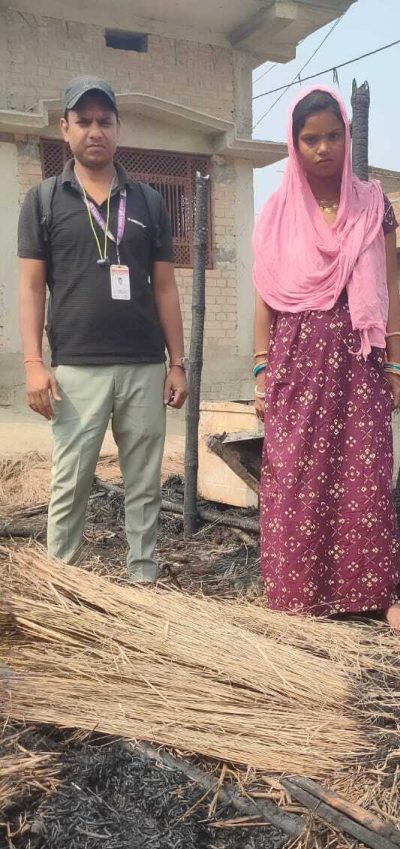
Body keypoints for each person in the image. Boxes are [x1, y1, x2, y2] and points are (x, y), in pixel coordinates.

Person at [252, 85, 400, 633]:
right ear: (294, 144)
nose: (323, 148)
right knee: (295, 475)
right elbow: (265, 295)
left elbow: (389, 287)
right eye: (310, 139)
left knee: (364, 472)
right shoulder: (277, 212)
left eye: (332, 136)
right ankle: (296, 595)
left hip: (359, 358)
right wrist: (261, 368)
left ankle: (378, 595)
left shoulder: (373, 204)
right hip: (295, 358)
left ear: (347, 137)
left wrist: (396, 359)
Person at [18, 76, 187, 582]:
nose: (95, 130)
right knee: (70, 481)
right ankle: (62, 582)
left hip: (143, 365)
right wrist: (33, 363)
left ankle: (142, 577)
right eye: (84, 121)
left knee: (144, 482)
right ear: (64, 128)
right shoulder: (44, 200)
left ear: (117, 128)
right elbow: (31, 288)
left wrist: (177, 363)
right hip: (77, 369)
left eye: (105, 121)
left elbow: (165, 288)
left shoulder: (148, 201)